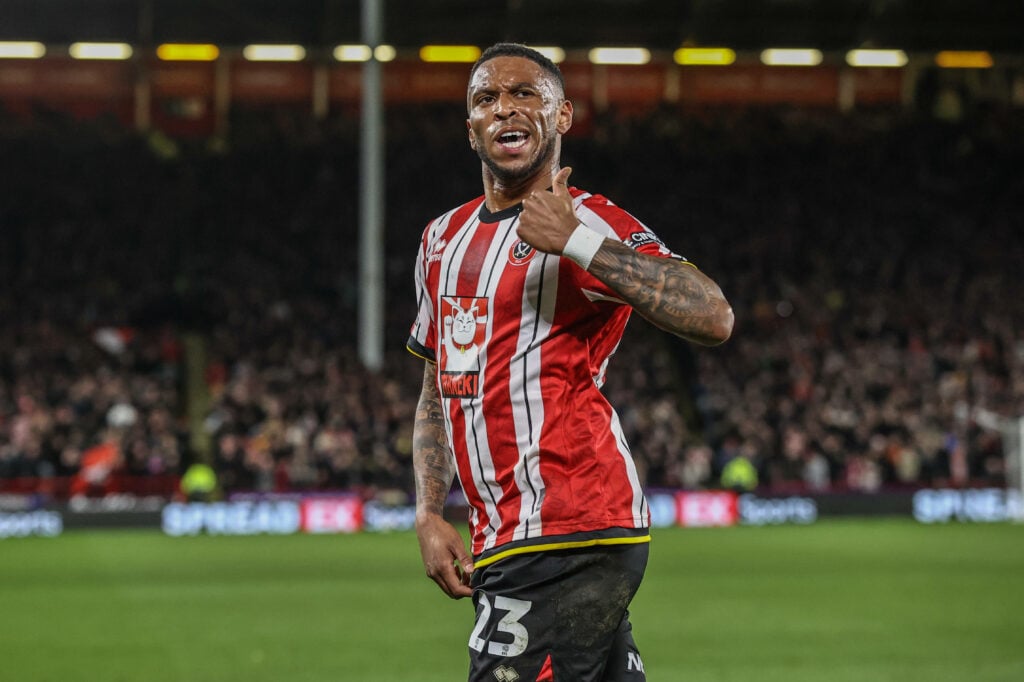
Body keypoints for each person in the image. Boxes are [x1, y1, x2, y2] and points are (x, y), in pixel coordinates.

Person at [407, 42, 734, 682]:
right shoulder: (441, 239)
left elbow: (712, 312)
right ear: (469, 126)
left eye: (526, 93)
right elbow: (437, 387)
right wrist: (427, 509)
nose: (505, 107)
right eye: (486, 99)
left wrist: (576, 242)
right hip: (508, 532)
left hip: (568, 527)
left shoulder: (588, 218)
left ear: (562, 117)